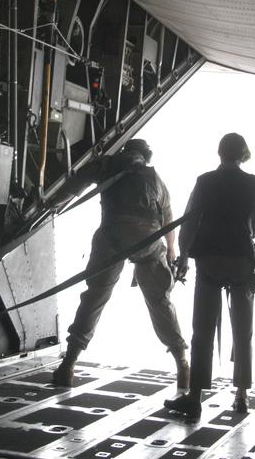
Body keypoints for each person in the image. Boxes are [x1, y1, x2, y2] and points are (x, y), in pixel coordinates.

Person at [49, 139, 189, 389]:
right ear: (146, 157)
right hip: (149, 240)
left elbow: (76, 184)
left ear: (127, 150)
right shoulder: (156, 179)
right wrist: (171, 252)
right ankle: (182, 364)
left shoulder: (109, 164)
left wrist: (51, 205)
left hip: (111, 237)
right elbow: (168, 219)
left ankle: (68, 366)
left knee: (95, 297)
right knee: (160, 301)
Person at [163, 133, 255, 419]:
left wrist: (184, 256)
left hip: (210, 262)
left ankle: (195, 397)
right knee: (243, 332)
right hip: (242, 263)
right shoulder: (254, 184)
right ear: (242, 153)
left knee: (202, 331)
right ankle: (242, 395)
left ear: (220, 152)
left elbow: (190, 221)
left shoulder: (205, 181)